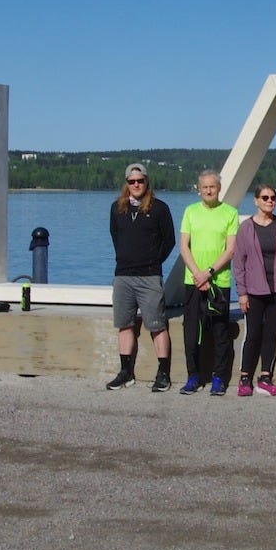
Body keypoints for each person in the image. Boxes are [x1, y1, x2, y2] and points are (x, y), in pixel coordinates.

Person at [106, 163, 176, 392]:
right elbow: (115, 236)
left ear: (147, 182)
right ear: (126, 184)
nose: (136, 185)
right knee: (124, 325)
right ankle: (126, 372)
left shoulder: (159, 209)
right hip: (123, 276)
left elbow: (169, 241)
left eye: (140, 181)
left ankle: (163, 373)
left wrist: (153, 261)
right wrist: (125, 259)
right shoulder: (117, 209)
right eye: (131, 181)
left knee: (157, 325)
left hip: (149, 276)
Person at [232, 183, 276, 398]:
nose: (270, 201)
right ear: (256, 200)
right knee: (252, 334)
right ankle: (244, 378)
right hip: (254, 290)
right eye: (265, 197)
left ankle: (265, 377)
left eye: (273, 197)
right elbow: (239, 262)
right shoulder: (246, 228)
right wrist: (242, 292)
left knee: (271, 334)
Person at [177, 170, 240, 396]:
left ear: (219, 188)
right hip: (192, 281)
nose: (208, 190)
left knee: (220, 332)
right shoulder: (190, 211)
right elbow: (184, 246)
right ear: (199, 188)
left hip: (218, 282)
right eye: (204, 187)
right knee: (191, 332)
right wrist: (197, 274)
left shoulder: (230, 213)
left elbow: (231, 249)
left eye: (212, 186)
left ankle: (218, 378)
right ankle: (193, 376)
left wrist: (209, 273)